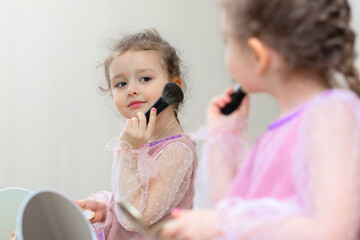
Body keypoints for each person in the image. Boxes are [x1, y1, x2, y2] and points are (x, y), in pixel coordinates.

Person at [160, 0, 360, 239]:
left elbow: (334, 231)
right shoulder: (276, 134)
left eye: (227, 41)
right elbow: (231, 206)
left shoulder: (332, 112)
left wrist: (220, 224)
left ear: (257, 55)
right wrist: (224, 134)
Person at [76, 29, 198, 240]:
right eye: (121, 83)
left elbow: (134, 218)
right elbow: (130, 198)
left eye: (144, 78)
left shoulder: (178, 151)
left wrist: (128, 150)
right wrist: (107, 208)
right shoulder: (142, 143)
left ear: (174, 87)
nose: (131, 89)